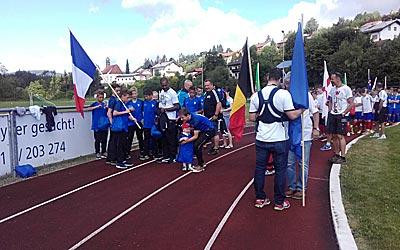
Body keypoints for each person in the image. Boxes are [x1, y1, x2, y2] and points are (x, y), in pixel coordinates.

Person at [249, 68, 303, 211]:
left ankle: (260, 198)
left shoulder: (256, 96)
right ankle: (279, 202)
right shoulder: (283, 94)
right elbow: (291, 115)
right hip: (279, 138)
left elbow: (252, 118)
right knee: (280, 170)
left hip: (261, 139)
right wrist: (302, 110)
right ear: (280, 80)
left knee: (260, 168)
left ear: (267, 78)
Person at [284, 73, 320, 200]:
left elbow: (315, 113)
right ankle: (292, 186)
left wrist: (316, 128)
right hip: (290, 135)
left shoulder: (306, 95)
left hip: (304, 134)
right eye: (286, 84)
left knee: (302, 163)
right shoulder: (285, 96)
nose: (287, 86)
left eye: (289, 83)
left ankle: (301, 188)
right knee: (289, 162)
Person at [327, 72, 354, 164]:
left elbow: (351, 103)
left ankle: (343, 156)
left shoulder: (346, 89)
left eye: (333, 78)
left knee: (340, 136)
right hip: (333, 114)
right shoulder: (332, 89)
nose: (331, 80)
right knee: (334, 136)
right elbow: (330, 100)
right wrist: (330, 110)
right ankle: (337, 154)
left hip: (341, 115)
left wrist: (344, 113)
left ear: (338, 79)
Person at [178, 107, 215, 172]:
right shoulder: (190, 117)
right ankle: (197, 158)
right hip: (202, 130)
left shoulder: (195, 120)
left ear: (188, 115)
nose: (181, 119)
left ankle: (201, 165)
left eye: (182, 117)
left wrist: (186, 141)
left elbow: (195, 136)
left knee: (197, 146)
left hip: (209, 131)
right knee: (195, 144)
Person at [158, 77, 179, 163]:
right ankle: (165, 155)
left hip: (171, 118)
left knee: (171, 138)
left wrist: (166, 109)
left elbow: (177, 106)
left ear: (168, 84)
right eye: (163, 85)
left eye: (165, 85)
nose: (164, 87)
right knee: (164, 138)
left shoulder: (172, 93)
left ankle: (172, 156)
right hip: (163, 118)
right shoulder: (161, 92)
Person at [112, 89, 134, 169]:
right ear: (123, 96)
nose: (128, 99)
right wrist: (126, 112)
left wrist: (131, 118)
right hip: (119, 127)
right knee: (120, 144)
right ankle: (119, 161)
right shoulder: (119, 103)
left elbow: (125, 115)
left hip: (124, 126)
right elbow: (115, 113)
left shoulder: (124, 104)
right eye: (127, 97)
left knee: (124, 144)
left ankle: (124, 159)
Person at [87, 90, 109, 159]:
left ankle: (104, 151)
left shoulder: (104, 105)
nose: (101, 99)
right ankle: (97, 152)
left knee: (104, 139)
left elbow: (108, 112)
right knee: (97, 140)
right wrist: (95, 107)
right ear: (97, 97)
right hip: (97, 125)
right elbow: (88, 109)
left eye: (102, 97)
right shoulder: (95, 104)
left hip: (104, 125)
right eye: (100, 97)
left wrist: (107, 108)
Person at [203, 79, 221, 155]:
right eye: (205, 85)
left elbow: (218, 103)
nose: (206, 87)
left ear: (211, 85)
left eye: (208, 85)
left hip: (213, 116)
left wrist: (216, 114)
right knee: (210, 133)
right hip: (207, 117)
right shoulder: (205, 94)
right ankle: (213, 146)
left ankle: (216, 148)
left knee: (215, 132)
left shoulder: (214, 92)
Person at [126, 87, 145, 160]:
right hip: (131, 123)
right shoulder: (129, 103)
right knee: (129, 138)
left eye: (135, 93)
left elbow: (143, 111)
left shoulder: (141, 102)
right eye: (132, 94)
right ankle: (127, 152)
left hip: (139, 122)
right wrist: (129, 117)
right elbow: (127, 113)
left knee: (140, 137)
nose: (134, 95)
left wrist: (142, 119)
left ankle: (142, 151)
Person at [106, 83, 121, 164]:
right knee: (113, 141)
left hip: (115, 123)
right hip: (114, 123)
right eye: (117, 91)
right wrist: (112, 123)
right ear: (113, 90)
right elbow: (109, 112)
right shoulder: (112, 99)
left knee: (113, 140)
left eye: (119, 91)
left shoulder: (116, 99)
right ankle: (111, 157)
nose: (118, 92)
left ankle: (111, 157)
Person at [142, 89, 159, 160]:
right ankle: (146, 153)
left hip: (153, 125)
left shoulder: (155, 103)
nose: (146, 98)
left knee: (154, 139)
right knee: (146, 139)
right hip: (146, 124)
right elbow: (142, 111)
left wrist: (156, 120)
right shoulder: (144, 103)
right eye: (145, 96)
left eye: (147, 96)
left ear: (151, 96)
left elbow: (157, 113)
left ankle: (155, 153)